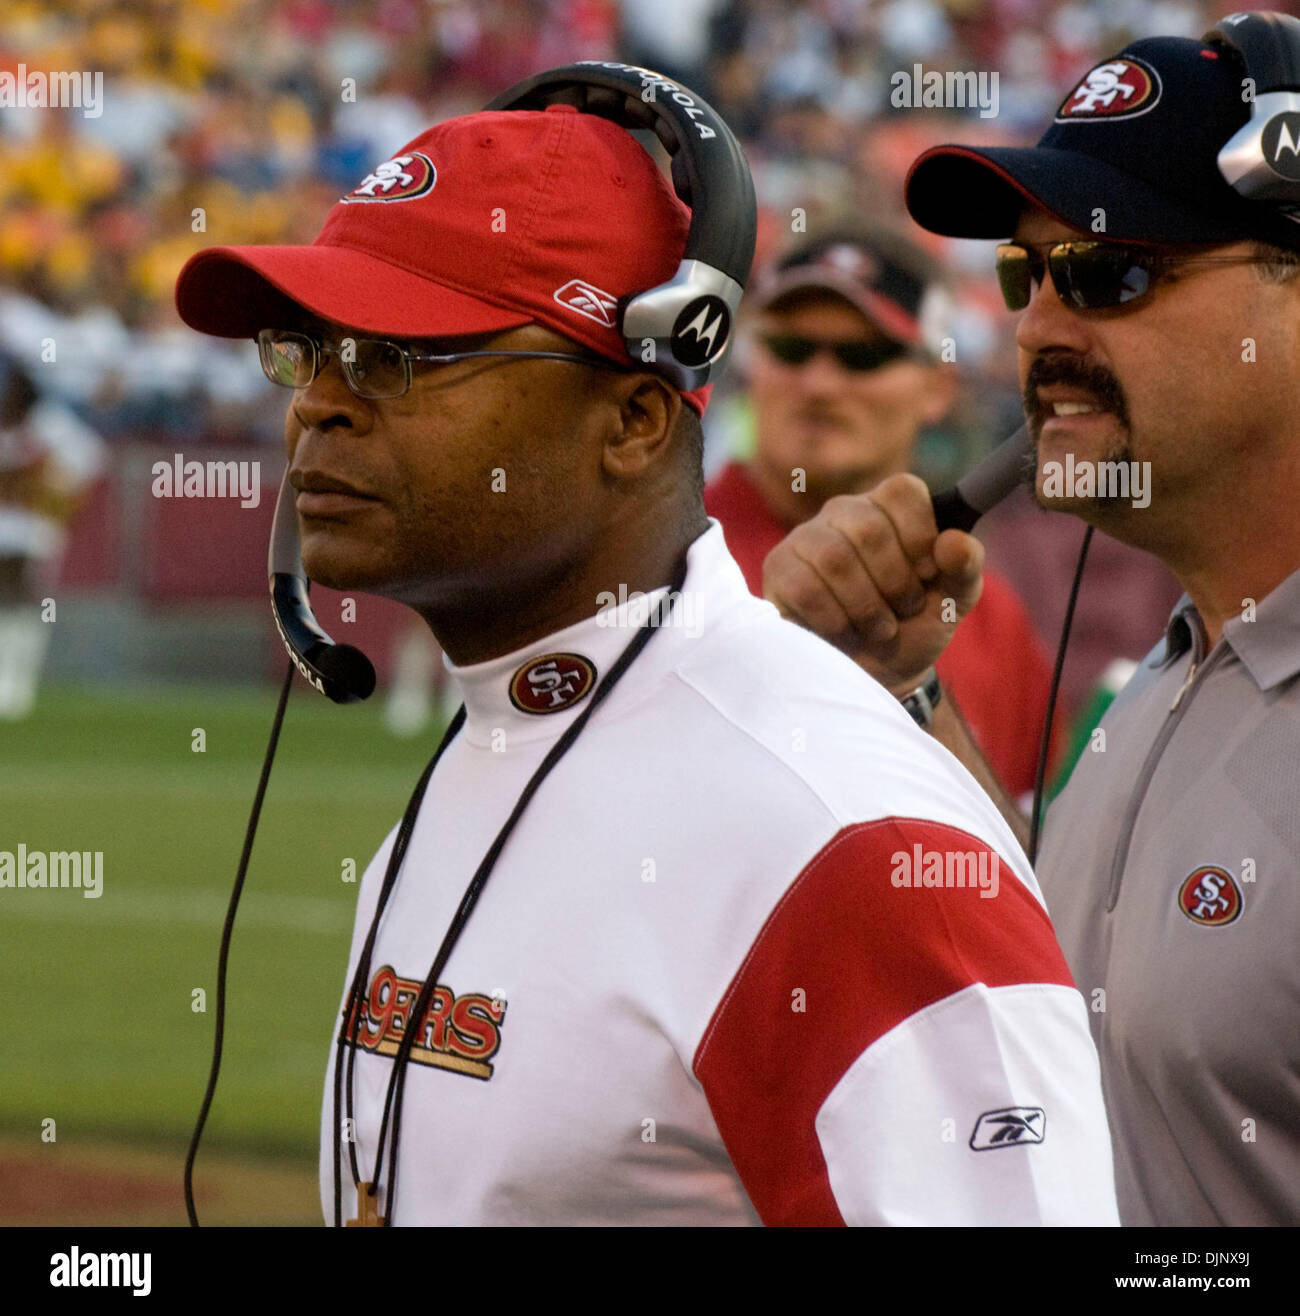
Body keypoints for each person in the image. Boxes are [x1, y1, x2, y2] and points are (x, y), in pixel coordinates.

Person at [174, 85, 1117, 1226]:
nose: (317, 406)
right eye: (309, 350)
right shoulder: (502, 740)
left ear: (632, 419)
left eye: (399, 357)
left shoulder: (843, 828)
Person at [763, 27, 1300, 1227]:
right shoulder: (1175, 673)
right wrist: (902, 688)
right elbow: (1055, 981)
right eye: (1028, 275)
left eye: (1107, 275)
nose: (1038, 329)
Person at [706, 227, 1061, 798]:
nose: (818, 384)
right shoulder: (665, 564)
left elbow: (1026, 865)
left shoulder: (994, 623)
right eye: (791, 350)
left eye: (864, 357)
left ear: (937, 387)